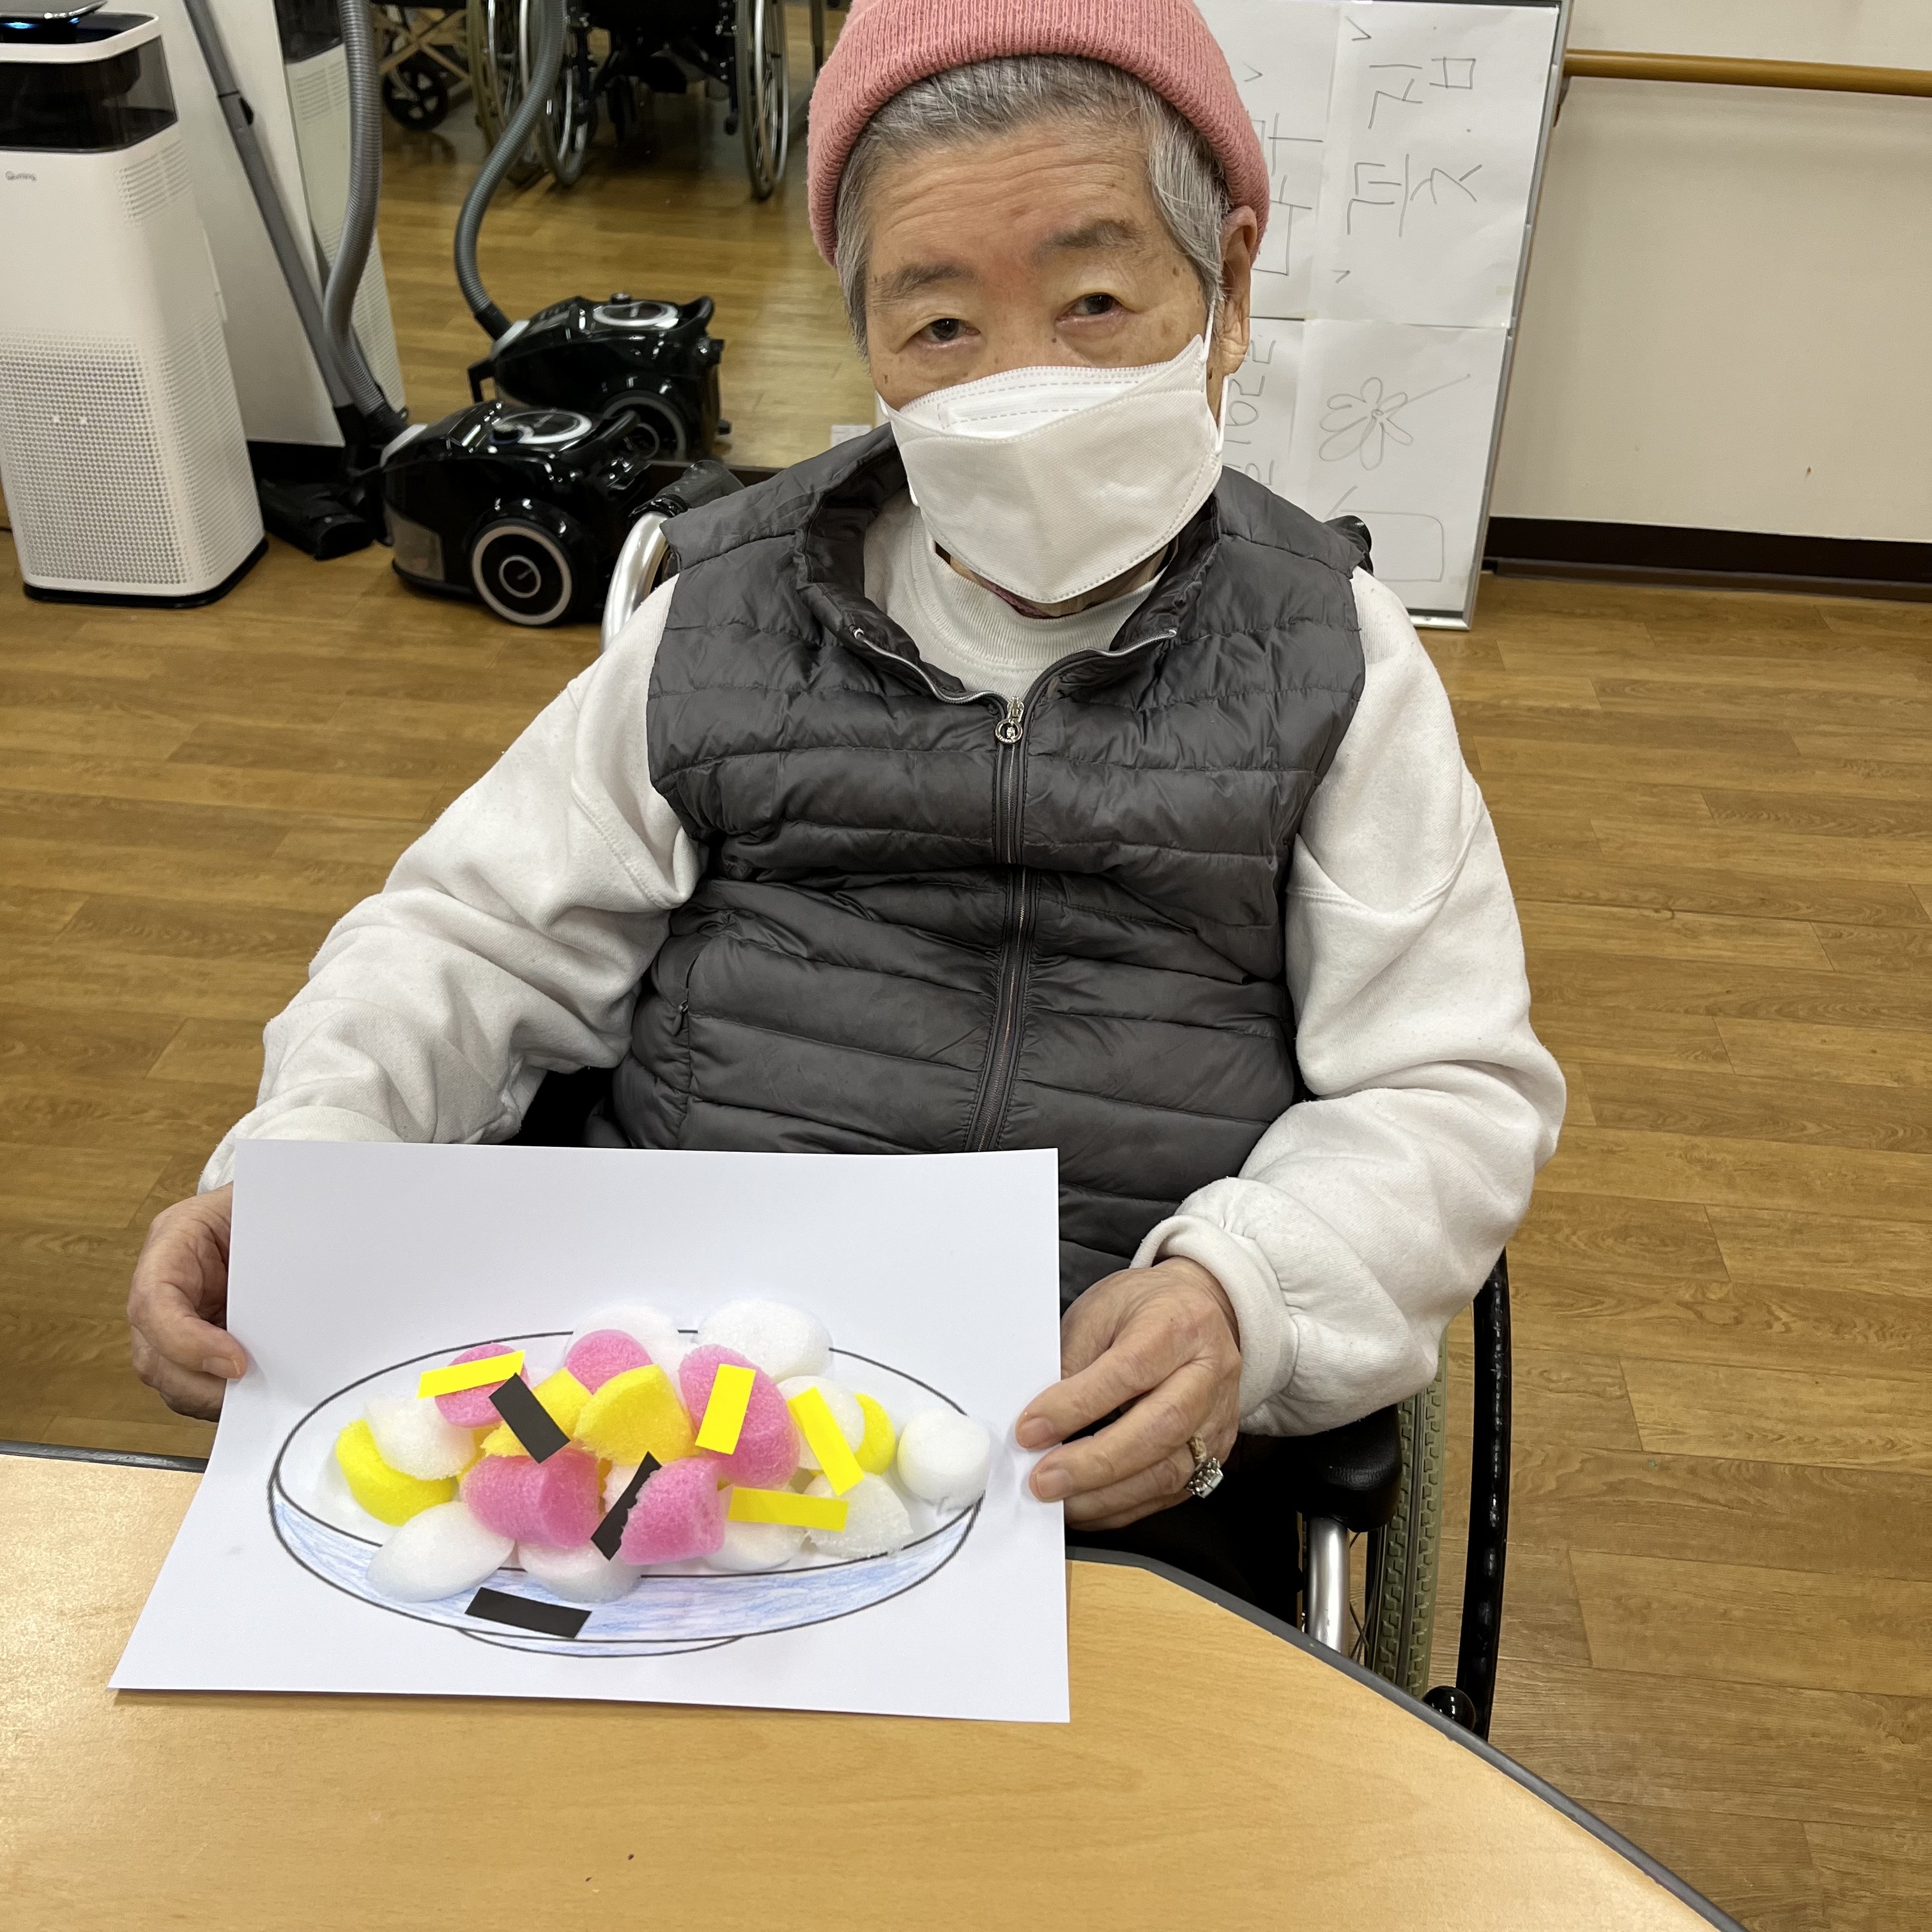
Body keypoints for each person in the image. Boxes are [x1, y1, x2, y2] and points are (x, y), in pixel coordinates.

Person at [127, 0, 1563, 1605]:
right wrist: (302, 1178)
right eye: (938, 325)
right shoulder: (719, 612)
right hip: (667, 1384)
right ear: (861, 330)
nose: (1022, 383)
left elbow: (1444, 1084)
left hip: (1085, 1413)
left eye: (1094, 301)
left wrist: (1248, 1294)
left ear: (1226, 287)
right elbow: (469, 939)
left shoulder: (1334, 661)